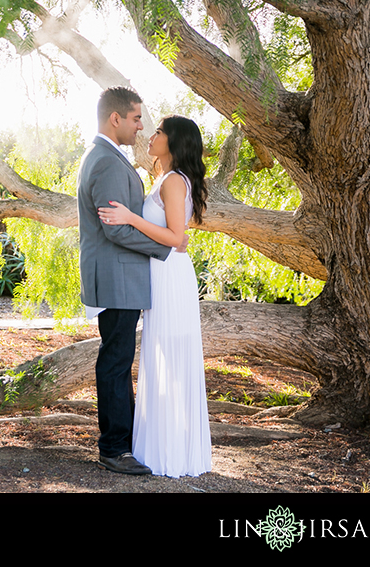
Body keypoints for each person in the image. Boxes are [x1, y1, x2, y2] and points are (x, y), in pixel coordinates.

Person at [98, 115, 213, 477]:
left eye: (159, 132)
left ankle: (174, 453)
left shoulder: (175, 182)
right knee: (158, 357)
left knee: (170, 358)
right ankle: (160, 446)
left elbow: (176, 236)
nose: (151, 135)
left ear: (174, 142)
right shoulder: (163, 179)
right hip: (159, 275)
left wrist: (130, 217)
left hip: (170, 276)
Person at [77, 87, 172, 475]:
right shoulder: (107, 163)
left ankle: (123, 444)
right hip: (116, 279)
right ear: (115, 118)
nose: (140, 126)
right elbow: (116, 230)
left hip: (120, 278)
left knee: (117, 360)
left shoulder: (107, 158)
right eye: (135, 118)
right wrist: (166, 248)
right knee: (115, 363)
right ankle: (115, 449)